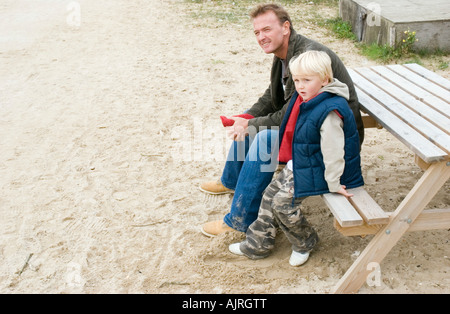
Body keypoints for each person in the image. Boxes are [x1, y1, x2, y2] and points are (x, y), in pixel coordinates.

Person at [200, 3, 364, 237]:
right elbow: (272, 95)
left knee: (264, 138)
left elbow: (290, 114)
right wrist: (247, 117)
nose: (261, 37)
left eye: (267, 29)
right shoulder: (283, 54)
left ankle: (239, 221)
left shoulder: (304, 57)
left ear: (285, 27)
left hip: (332, 138)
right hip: (310, 126)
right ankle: (231, 181)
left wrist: (252, 124)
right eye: (257, 32)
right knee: (251, 120)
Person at [228, 50, 364, 266]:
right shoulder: (307, 98)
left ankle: (305, 241)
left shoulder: (330, 110)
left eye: (307, 80)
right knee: (268, 195)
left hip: (324, 171)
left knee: (282, 203)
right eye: (297, 80)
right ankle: (258, 243)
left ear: (325, 79)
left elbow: (334, 152)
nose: (300, 86)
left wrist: (334, 183)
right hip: (303, 163)